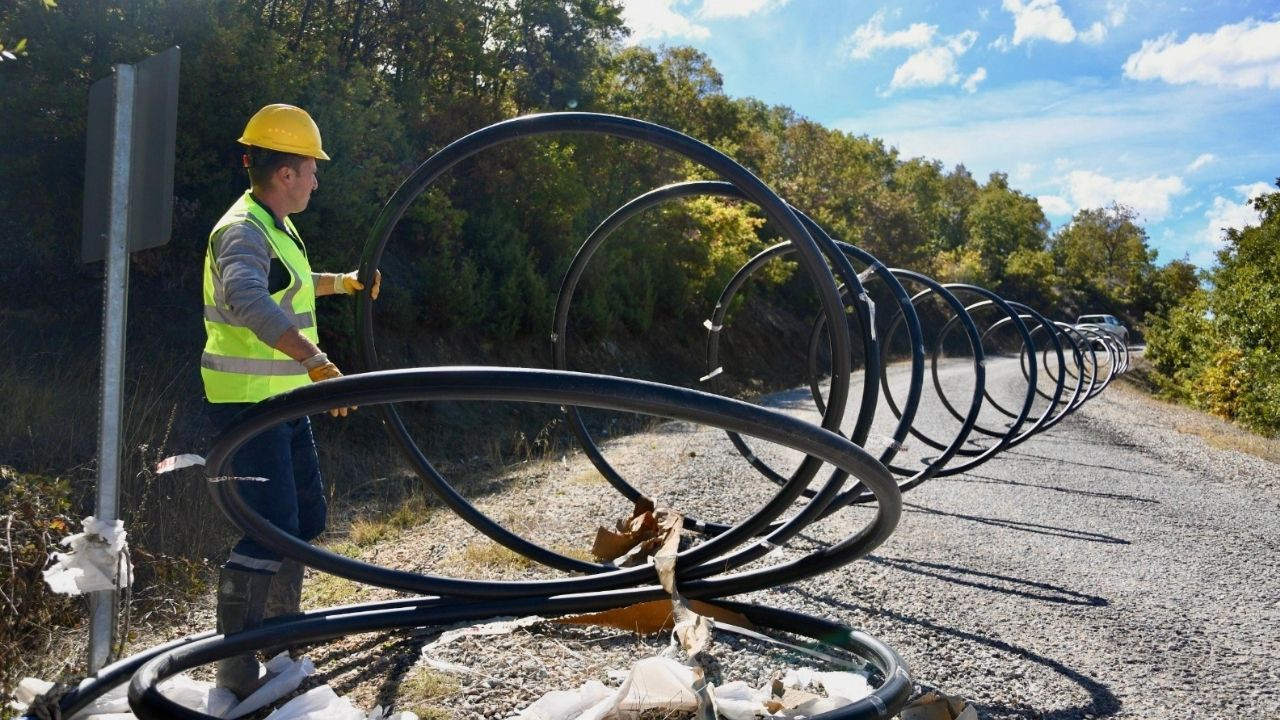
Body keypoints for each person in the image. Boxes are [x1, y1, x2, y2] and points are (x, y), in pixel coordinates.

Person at [200, 103, 381, 697]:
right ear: (286, 174)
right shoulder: (241, 229)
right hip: (249, 406)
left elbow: (291, 285)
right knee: (270, 526)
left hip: (281, 402)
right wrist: (314, 359)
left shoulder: (274, 224)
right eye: (311, 168)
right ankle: (238, 669)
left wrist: (346, 282)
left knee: (304, 520)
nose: (316, 179)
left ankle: (282, 649)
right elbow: (249, 299)